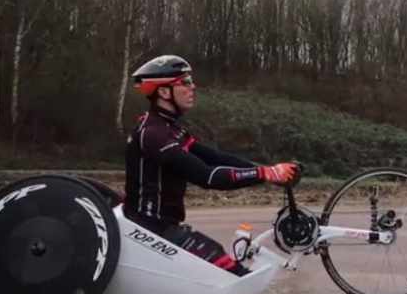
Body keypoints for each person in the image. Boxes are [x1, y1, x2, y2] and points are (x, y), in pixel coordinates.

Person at [124, 54, 299, 276]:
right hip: (151, 230)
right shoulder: (154, 134)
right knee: (234, 277)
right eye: (185, 82)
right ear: (164, 92)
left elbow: (214, 157)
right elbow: (207, 177)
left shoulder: (171, 128)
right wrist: (264, 173)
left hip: (165, 227)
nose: (193, 87)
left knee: (232, 271)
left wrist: (268, 171)